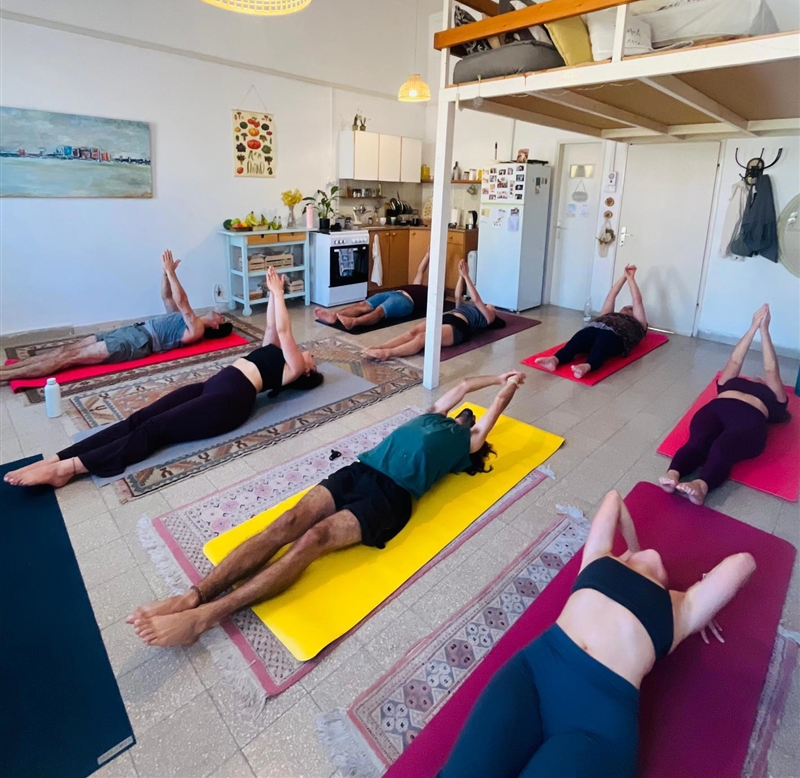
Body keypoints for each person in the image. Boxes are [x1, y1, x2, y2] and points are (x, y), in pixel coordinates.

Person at [126, 369, 526, 647]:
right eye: (465, 410)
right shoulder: (432, 415)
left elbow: (496, 406)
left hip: (391, 497)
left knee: (312, 540)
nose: (469, 412)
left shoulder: (468, 443)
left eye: (473, 418)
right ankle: (193, 596)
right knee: (287, 522)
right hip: (360, 471)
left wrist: (509, 386)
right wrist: (497, 375)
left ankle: (205, 616)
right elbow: (465, 384)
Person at [438, 489, 756, 778]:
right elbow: (613, 499)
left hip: (596, 725)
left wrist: (705, 596)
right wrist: (634, 547)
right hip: (532, 677)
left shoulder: (680, 609)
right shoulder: (597, 560)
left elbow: (745, 562)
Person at [4, 268, 321, 488]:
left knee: (154, 430)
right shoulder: (274, 352)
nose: (311, 355)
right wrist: (273, 292)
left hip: (229, 403)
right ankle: (58, 457)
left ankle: (68, 469)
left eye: (314, 362)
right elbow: (272, 327)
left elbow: (284, 331)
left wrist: (279, 293)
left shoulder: (292, 368)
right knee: (138, 418)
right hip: (211, 386)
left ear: (306, 372)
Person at [0, 250, 231, 382]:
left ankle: (6, 376)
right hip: (129, 332)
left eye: (221, 319)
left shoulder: (195, 329)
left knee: (68, 358)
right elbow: (168, 297)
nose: (219, 314)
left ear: (215, 326)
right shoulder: (183, 321)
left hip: (135, 343)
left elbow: (183, 302)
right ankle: (6, 370)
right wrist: (165, 273)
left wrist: (171, 272)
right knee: (64, 350)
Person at [659, 303, 789, 506]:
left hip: (749, 420)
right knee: (697, 442)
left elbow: (771, 370)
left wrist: (764, 330)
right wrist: (752, 327)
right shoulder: (729, 382)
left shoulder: (776, 397)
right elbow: (735, 361)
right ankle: (673, 475)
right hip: (715, 411)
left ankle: (701, 486)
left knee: (722, 447)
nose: (756, 378)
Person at [364, 259, 506, 360]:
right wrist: (461, 276)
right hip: (448, 317)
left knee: (422, 338)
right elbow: (457, 296)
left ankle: (388, 353)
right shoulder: (469, 308)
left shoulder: (489, 317)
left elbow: (476, 299)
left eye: (494, 307)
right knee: (412, 332)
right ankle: (381, 347)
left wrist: (466, 276)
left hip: (459, 327)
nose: (491, 305)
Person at [535, 265, 647, 379]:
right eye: (625, 308)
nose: (627, 309)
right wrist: (623, 277)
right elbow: (611, 296)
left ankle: (587, 366)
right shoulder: (608, 315)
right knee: (578, 339)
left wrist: (631, 279)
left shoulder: (638, 324)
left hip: (617, 335)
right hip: (594, 328)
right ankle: (555, 359)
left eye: (631, 309)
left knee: (602, 344)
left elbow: (637, 300)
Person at [315, 249, 430, 330]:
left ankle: (354, 322)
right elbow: (421, 270)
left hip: (405, 301)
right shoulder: (418, 285)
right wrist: (428, 254)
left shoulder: (429, 294)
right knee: (363, 305)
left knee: (379, 311)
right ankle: (334, 316)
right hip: (393, 293)